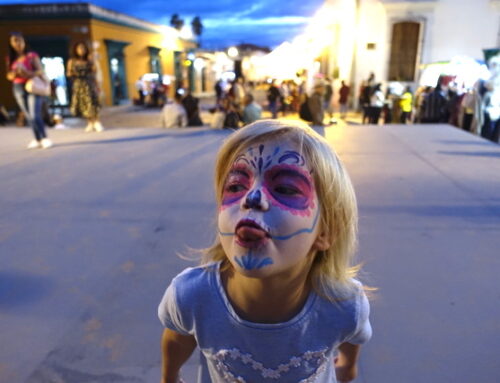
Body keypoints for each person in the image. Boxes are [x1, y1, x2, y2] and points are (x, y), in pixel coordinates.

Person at [158, 120, 372, 383]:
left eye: (284, 188)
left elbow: (352, 336)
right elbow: (176, 340)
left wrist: (349, 365)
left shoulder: (343, 303)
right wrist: (169, 378)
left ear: (326, 231)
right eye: (236, 186)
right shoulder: (191, 296)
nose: (252, 198)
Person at [6, 32, 52, 149]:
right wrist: (14, 74)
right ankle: (37, 139)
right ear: (10, 43)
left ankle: (44, 138)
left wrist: (27, 73)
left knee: (34, 114)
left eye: (19, 40)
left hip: (33, 86)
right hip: (18, 87)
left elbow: (40, 71)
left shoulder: (31, 55)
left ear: (24, 41)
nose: (17, 43)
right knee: (28, 115)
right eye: (14, 41)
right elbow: (9, 76)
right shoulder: (11, 58)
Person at [66, 41, 103, 132]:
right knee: (83, 104)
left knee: (92, 102)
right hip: (78, 84)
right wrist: (72, 74)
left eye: (83, 48)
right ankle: (90, 122)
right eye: (79, 48)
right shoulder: (72, 61)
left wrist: (97, 85)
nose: (81, 50)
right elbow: (68, 74)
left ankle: (97, 122)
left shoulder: (89, 60)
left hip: (89, 83)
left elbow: (94, 72)